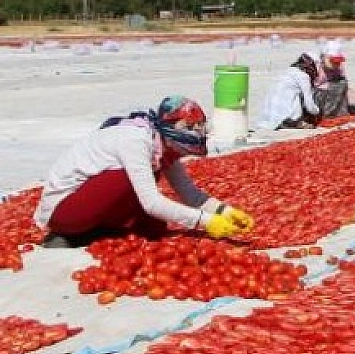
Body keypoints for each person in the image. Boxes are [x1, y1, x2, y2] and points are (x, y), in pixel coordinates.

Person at [34, 96, 251, 248]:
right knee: (131, 180)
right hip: (63, 211)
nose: (196, 132)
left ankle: (96, 232)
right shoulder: (136, 141)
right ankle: (68, 234)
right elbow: (151, 202)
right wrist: (206, 222)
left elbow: (189, 194)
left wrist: (225, 212)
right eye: (189, 127)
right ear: (171, 127)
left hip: (90, 202)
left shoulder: (162, 146)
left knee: (154, 228)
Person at [260, 53, 326, 129]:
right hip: (285, 118)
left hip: (268, 117)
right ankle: (295, 121)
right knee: (302, 99)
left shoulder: (290, 70)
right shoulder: (303, 76)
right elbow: (309, 105)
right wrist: (319, 113)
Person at [314, 41, 355, 117]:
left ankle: (341, 112)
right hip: (318, 98)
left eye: (338, 62)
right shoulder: (315, 67)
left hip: (334, 96)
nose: (336, 64)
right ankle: (328, 113)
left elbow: (345, 86)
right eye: (333, 61)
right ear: (323, 57)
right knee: (337, 86)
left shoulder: (339, 67)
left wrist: (352, 99)